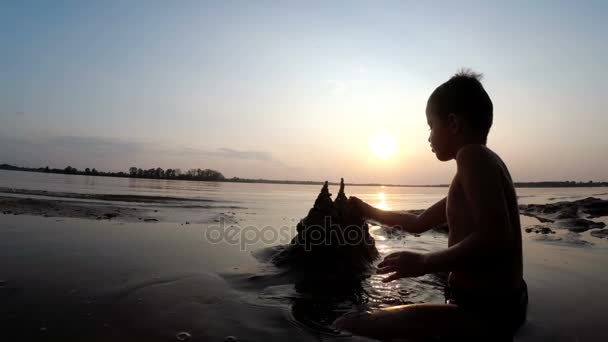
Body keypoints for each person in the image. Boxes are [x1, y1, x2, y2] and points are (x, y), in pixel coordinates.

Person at [334, 69, 527, 341]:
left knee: (347, 325)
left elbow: (495, 238)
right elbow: (418, 222)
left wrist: (425, 261)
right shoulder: (482, 167)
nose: (428, 137)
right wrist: (368, 211)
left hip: (484, 314)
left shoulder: (472, 157)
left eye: (430, 126)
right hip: (498, 306)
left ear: (453, 124)